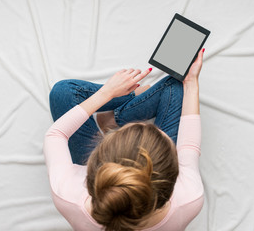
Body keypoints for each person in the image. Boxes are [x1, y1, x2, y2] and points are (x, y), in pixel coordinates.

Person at [43, 48, 206, 231]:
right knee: (176, 85)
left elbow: (55, 134)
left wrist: (108, 93)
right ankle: (114, 118)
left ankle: (115, 116)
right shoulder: (189, 198)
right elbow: (189, 146)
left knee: (63, 93)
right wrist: (191, 83)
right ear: (174, 173)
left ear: (97, 154)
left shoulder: (69, 195)